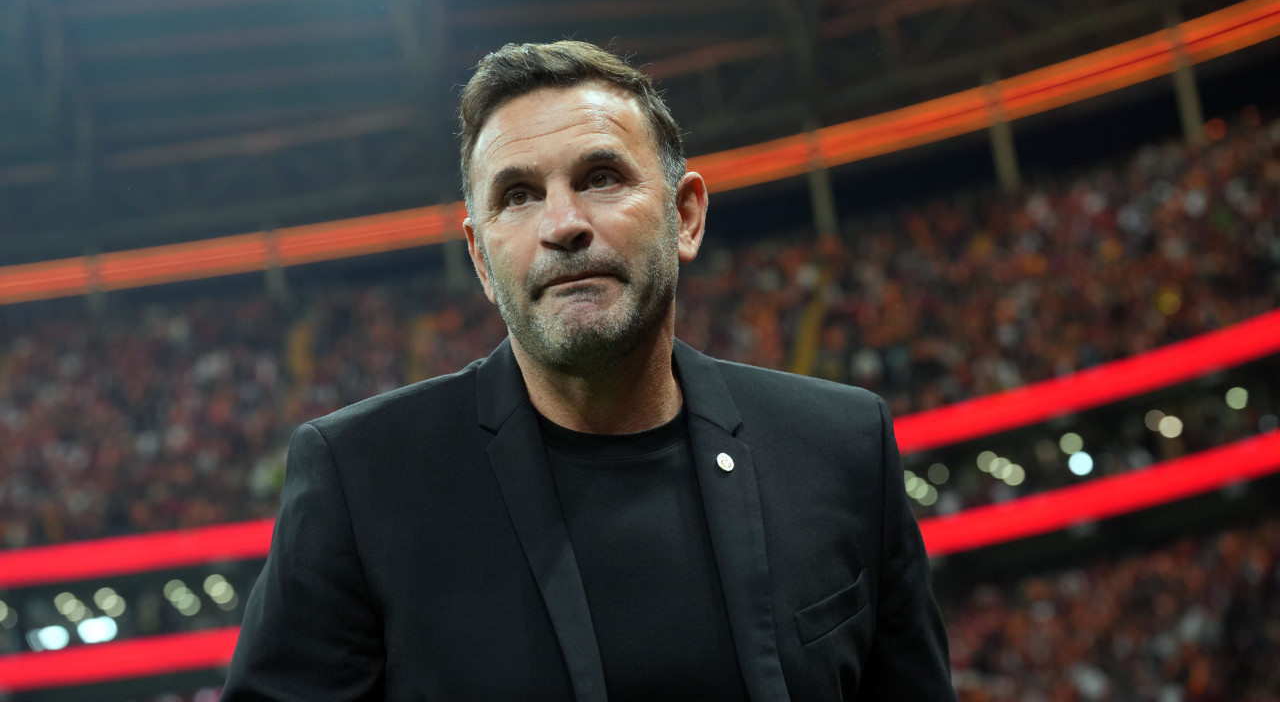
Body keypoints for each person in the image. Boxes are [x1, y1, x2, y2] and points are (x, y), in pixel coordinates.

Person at [223, 40, 955, 701]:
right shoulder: (363, 478)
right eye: (518, 196)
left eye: (601, 178)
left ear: (685, 216)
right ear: (481, 259)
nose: (563, 223)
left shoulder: (840, 446)